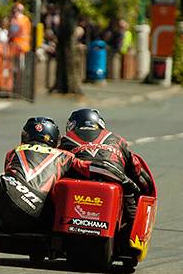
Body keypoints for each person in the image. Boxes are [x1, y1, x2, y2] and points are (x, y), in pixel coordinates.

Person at [59, 108, 153, 252]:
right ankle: (131, 240)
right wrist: (145, 189)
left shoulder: (64, 140)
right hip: (114, 180)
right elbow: (135, 169)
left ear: (71, 125)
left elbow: (54, 163)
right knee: (130, 194)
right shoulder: (117, 139)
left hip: (77, 182)